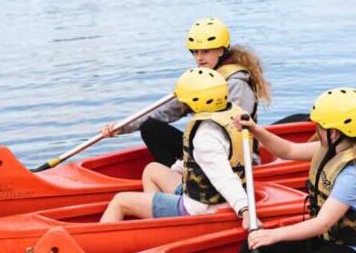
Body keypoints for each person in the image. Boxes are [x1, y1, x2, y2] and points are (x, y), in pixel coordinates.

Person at [224, 88, 356, 253]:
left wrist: (272, 234)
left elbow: (322, 223)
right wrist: (255, 129)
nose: (316, 130)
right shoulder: (335, 148)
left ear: (333, 133)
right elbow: (289, 151)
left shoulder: (354, 175)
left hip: (355, 248)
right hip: (329, 236)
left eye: (319, 127)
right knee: (256, 245)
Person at [101, 17, 270, 166]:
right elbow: (163, 112)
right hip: (206, 149)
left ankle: (182, 181)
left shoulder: (236, 83)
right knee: (151, 128)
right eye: (195, 52)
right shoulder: (201, 80)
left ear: (220, 50)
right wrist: (121, 127)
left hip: (236, 159)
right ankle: (177, 178)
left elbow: (234, 131)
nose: (199, 58)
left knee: (154, 129)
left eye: (205, 51)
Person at [100, 68, 252, 227]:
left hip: (201, 208)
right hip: (210, 197)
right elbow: (195, 161)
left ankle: (163, 226)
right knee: (152, 170)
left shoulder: (205, 137)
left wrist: (245, 210)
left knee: (119, 201)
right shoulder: (229, 118)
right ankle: (158, 225)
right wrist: (177, 172)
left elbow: (224, 178)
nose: (180, 104)